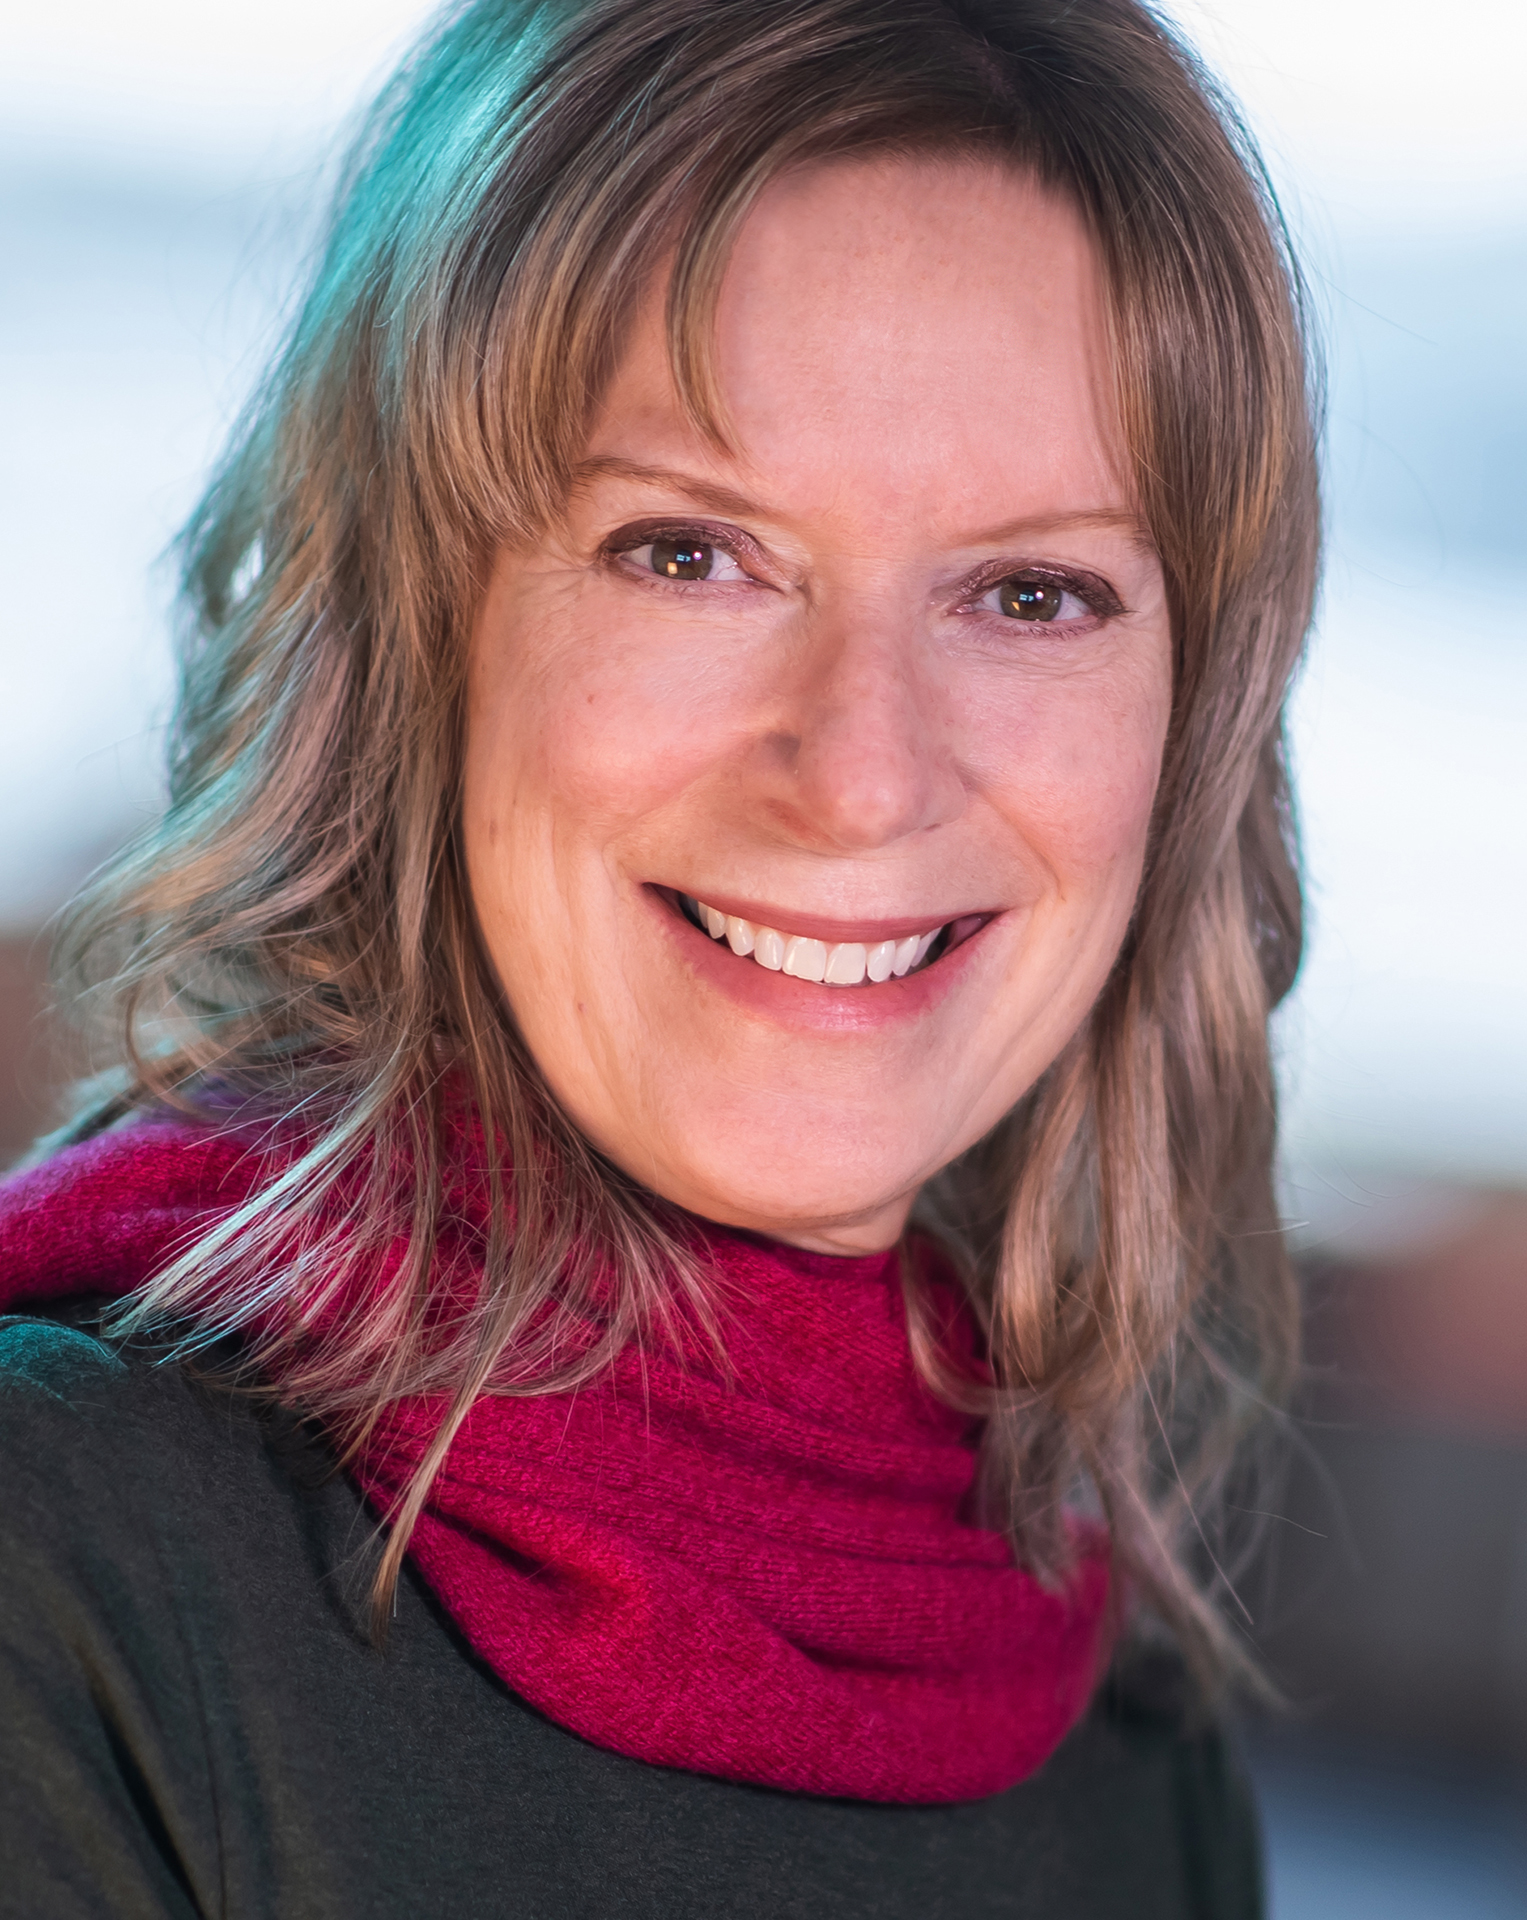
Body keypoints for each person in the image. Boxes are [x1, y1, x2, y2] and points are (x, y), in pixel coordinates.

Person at [0, 0, 1317, 1911]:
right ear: (414, 632)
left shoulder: (1113, 1718)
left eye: (1033, 592)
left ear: (1190, 735)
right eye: (689, 552)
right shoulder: (68, 1572)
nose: (864, 777)